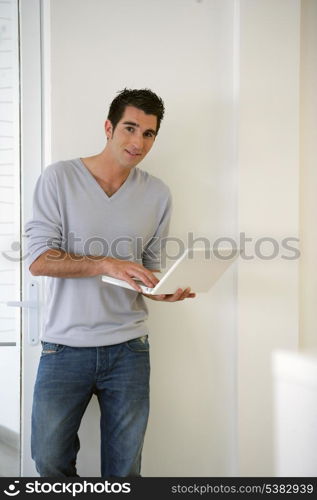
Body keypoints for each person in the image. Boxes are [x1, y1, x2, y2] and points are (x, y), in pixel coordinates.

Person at [25, 88, 196, 478]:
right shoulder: (59, 179)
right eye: (130, 128)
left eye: (149, 134)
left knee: (125, 471)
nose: (138, 142)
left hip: (129, 349)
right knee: (49, 461)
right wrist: (106, 263)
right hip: (64, 347)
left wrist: (163, 290)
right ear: (108, 127)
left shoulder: (158, 194)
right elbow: (38, 261)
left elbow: (149, 268)